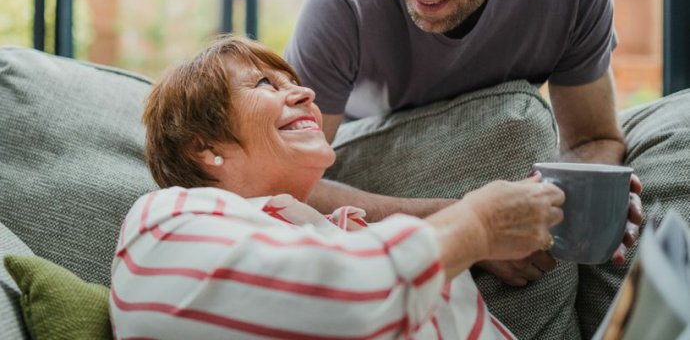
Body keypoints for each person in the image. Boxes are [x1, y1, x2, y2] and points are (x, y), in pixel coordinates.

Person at [284, 0, 643, 285]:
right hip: (372, 226)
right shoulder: (343, 4)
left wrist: (584, 201)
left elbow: (592, 139)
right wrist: (473, 226)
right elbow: (282, 182)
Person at [109, 35, 565, 339]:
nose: (306, 93)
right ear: (205, 146)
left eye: (294, 82)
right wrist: (479, 225)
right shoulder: (164, 221)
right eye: (264, 84)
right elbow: (343, 301)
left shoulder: (336, 232)